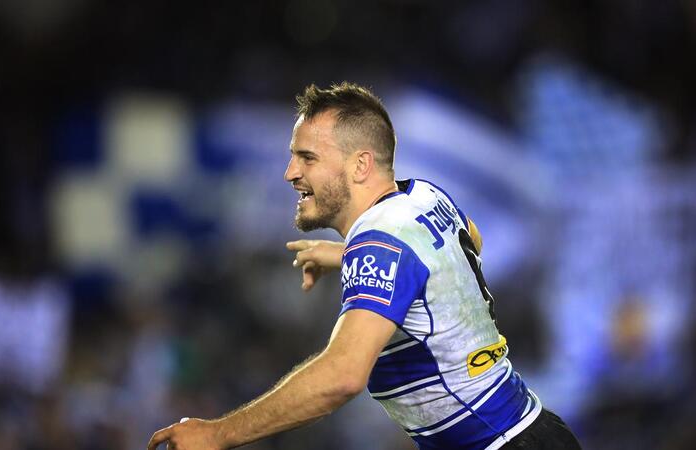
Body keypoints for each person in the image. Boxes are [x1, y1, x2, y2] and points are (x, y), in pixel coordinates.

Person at [147, 82, 581, 450]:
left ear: (360, 164)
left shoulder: (379, 243)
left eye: (308, 158)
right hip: (532, 429)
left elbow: (342, 375)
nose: (289, 172)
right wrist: (347, 256)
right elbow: (469, 238)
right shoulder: (421, 196)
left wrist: (219, 434)